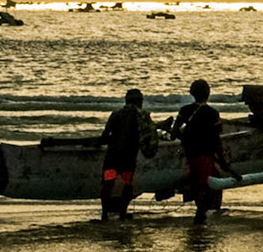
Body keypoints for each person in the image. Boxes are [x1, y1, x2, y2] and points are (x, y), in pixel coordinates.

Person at [171, 79, 235, 219]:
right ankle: (201, 213)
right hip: (206, 154)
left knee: (197, 181)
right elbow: (216, 139)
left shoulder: (185, 110)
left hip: (190, 153)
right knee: (204, 183)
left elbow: (175, 131)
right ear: (208, 94)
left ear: (192, 93)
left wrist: (186, 140)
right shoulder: (212, 113)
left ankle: (201, 211)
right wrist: (223, 160)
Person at [97, 88, 157, 219]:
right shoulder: (142, 117)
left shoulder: (115, 114)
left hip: (112, 155)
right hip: (128, 156)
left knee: (108, 183)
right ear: (139, 102)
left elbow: (105, 136)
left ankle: (104, 214)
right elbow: (148, 136)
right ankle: (122, 213)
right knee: (127, 183)